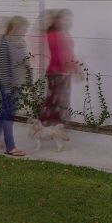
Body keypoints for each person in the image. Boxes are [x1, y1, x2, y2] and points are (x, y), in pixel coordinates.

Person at [0, 15, 28, 156]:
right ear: (16, 28)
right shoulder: (5, 44)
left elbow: (24, 63)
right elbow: (4, 68)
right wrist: (9, 89)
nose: (25, 32)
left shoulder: (18, 42)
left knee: (5, 113)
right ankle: (10, 147)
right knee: (8, 116)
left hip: (17, 85)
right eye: (23, 29)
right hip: (9, 86)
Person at [38, 10, 78, 141]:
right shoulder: (53, 35)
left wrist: (76, 68)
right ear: (58, 21)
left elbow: (69, 53)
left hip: (65, 73)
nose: (69, 22)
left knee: (61, 102)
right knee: (54, 102)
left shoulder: (64, 33)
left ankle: (54, 128)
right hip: (56, 73)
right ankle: (45, 128)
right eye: (66, 19)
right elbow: (55, 56)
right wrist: (64, 68)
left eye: (70, 19)